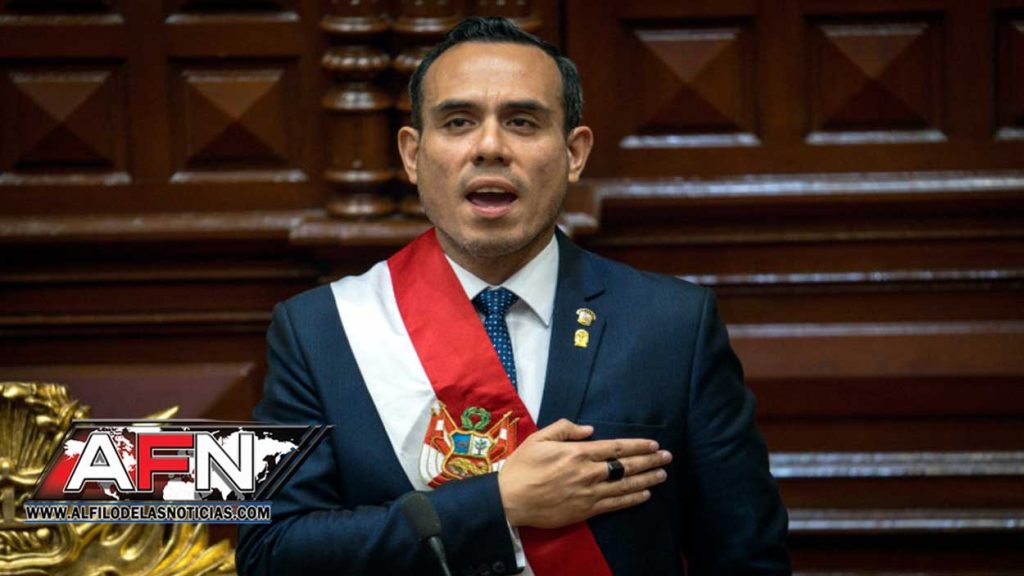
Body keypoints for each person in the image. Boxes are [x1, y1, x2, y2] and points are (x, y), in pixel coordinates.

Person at [236, 16, 790, 576]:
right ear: (412, 154)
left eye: (522, 122)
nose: (490, 147)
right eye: (458, 122)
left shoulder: (675, 324)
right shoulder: (313, 329)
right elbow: (265, 553)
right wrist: (495, 503)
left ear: (574, 153)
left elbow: (748, 556)